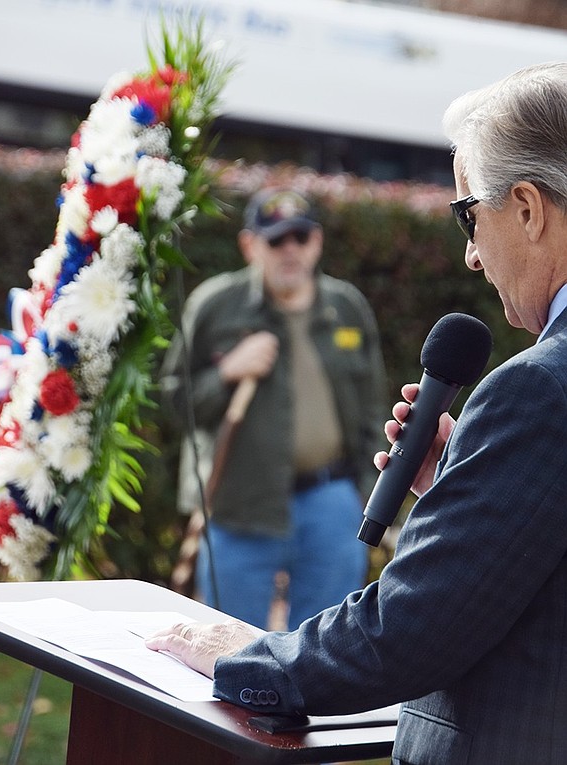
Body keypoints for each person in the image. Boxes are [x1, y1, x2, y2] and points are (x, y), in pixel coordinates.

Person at [147, 62, 567, 763]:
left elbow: (413, 627)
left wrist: (252, 655)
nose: (469, 254)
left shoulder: (536, 390)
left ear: (527, 207)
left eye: (469, 214)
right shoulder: (219, 305)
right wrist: (467, 487)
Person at [161, 187, 389, 631]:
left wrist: (364, 491)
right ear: (250, 245)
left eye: (300, 238)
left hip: (333, 503)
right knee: (226, 648)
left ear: (317, 242)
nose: (290, 250)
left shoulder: (347, 307)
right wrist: (227, 371)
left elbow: (372, 407)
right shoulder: (214, 306)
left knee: (330, 649)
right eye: (275, 239)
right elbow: (174, 402)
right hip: (238, 504)